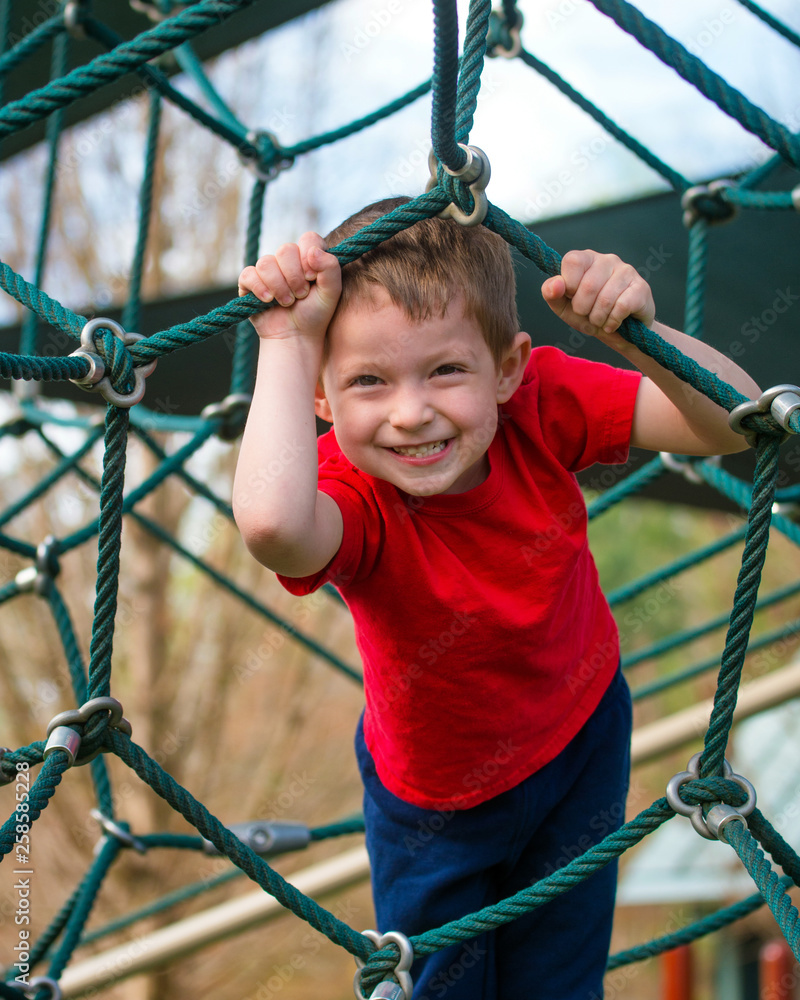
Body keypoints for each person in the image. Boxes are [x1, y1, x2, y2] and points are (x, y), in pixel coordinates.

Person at [233, 197, 760, 999]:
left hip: (581, 739)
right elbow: (271, 526)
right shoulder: (353, 492)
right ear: (324, 403)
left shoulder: (538, 404)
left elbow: (735, 422)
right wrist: (285, 341)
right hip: (434, 809)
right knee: (444, 987)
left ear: (506, 368)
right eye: (368, 382)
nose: (413, 413)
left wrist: (636, 340)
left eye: (446, 369)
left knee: (561, 982)